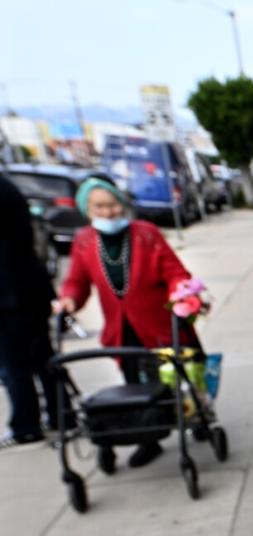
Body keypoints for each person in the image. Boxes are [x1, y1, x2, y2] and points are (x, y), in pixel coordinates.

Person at [57, 177, 201, 467]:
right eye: (100, 207)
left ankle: (196, 416)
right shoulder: (85, 241)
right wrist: (69, 299)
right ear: (88, 209)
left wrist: (181, 291)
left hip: (159, 321)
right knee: (135, 383)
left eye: (112, 205)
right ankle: (148, 439)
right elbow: (76, 281)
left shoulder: (145, 234)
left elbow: (174, 270)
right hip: (122, 328)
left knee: (179, 375)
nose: (108, 213)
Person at [0, 172, 59, 448]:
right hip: (27, 290)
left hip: (11, 298)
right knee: (42, 359)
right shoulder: (7, 187)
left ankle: (26, 426)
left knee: (15, 365)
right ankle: (61, 415)